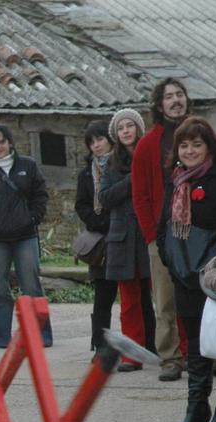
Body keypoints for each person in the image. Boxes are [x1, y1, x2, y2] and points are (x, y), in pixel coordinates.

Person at [156, 117, 216, 422]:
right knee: (194, 341)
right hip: (184, 273)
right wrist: (170, 260)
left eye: (197, 144)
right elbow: (164, 225)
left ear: (210, 146)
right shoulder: (176, 180)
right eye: (184, 144)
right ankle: (196, 405)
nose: (191, 150)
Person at [0, 123, 52, 348]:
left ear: (10, 143)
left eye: (2, 142)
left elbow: (41, 195)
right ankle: (2, 339)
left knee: (31, 284)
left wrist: (32, 218)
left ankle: (42, 335)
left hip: (25, 236)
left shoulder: (29, 165)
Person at [133, 78, 191, 381]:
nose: (175, 100)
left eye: (179, 95)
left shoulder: (200, 136)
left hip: (197, 232)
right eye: (169, 96)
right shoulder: (146, 145)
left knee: (199, 296)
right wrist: (150, 235)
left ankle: (199, 353)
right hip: (162, 234)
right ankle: (170, 358)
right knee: (165, 300)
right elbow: (140, 195)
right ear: (159, 104)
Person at [99, 108, 156, 371]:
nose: (125, 131)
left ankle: (163, 350)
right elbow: (106, 198)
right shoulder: (110, 164)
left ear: (138, 129)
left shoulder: (152, 157)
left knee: (160, 298)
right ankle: (131, 355)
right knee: (130, 300)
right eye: (120, 128)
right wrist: (134, 178)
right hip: (122, 240)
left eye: (129, 126)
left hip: (149, 234)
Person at [75, 121, 121, 364]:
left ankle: (139, 344)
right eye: (92, 142)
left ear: (110, 139)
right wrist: (97, 221)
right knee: (102, 295)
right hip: (101, 243)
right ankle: (100, 344)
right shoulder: (86, 173)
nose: (96, 146)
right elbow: (81, 204)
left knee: (133, 294)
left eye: (100, 139)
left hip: (123, 236)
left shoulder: (121, 165)